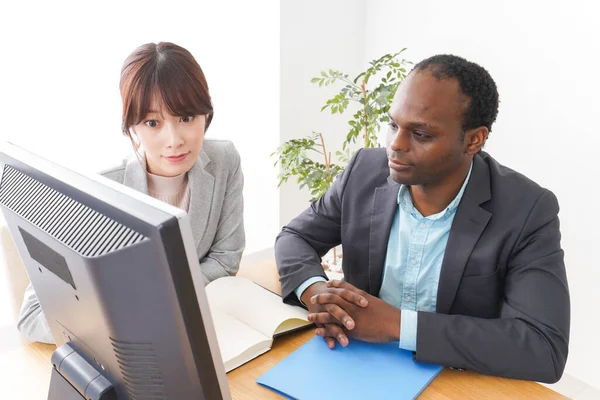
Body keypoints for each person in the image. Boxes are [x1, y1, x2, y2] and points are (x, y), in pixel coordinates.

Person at [275, 54, 569, 383]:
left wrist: (396, 325)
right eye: (393, 125)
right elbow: (295, 237)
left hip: (454, 381)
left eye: (421, 135)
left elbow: (543, 347)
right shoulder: (364, 171)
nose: (395, 145)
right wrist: (318, 295)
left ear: (474, 139)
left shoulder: (527, 210)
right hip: (352, 365)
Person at [17, 42, 245, 344]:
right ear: (132, 128)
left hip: (200, 332)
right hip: (125, 346)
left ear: (207, 114)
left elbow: (226, 259)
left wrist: (168, 302)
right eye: (153, 123)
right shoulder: (97, 192)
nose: (174, 140)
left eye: (187, 118)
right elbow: (33, 315)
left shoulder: (224, 160)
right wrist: (124, 316)